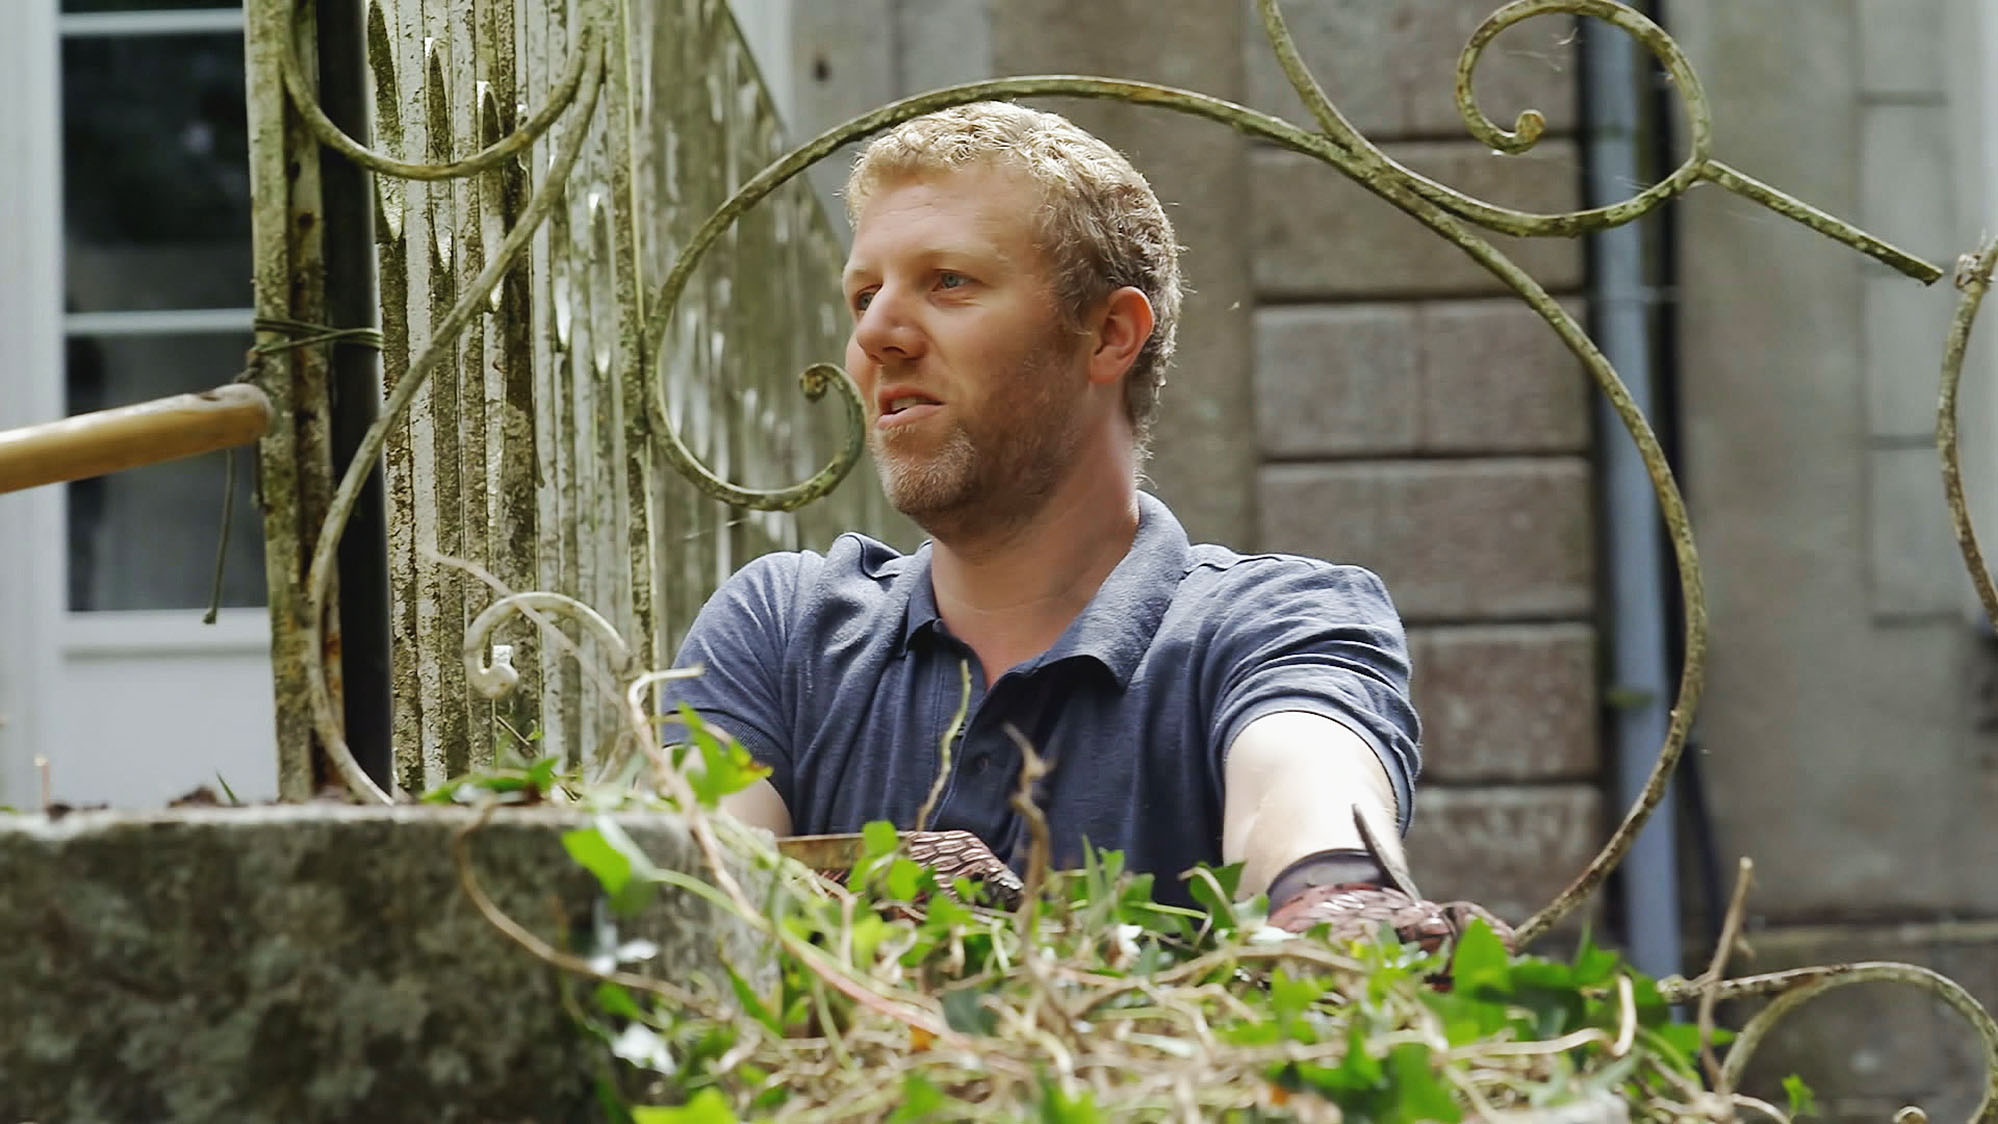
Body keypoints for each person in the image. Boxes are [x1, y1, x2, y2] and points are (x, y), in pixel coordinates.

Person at [666, 101, 1456, 932]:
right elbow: (689, 906)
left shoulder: (1273, 626)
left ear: (1109, 335)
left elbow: (1301, 796)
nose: (876, 335)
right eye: (864, 295)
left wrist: (1332, 903)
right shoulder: (783, 628)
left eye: (949, 281)